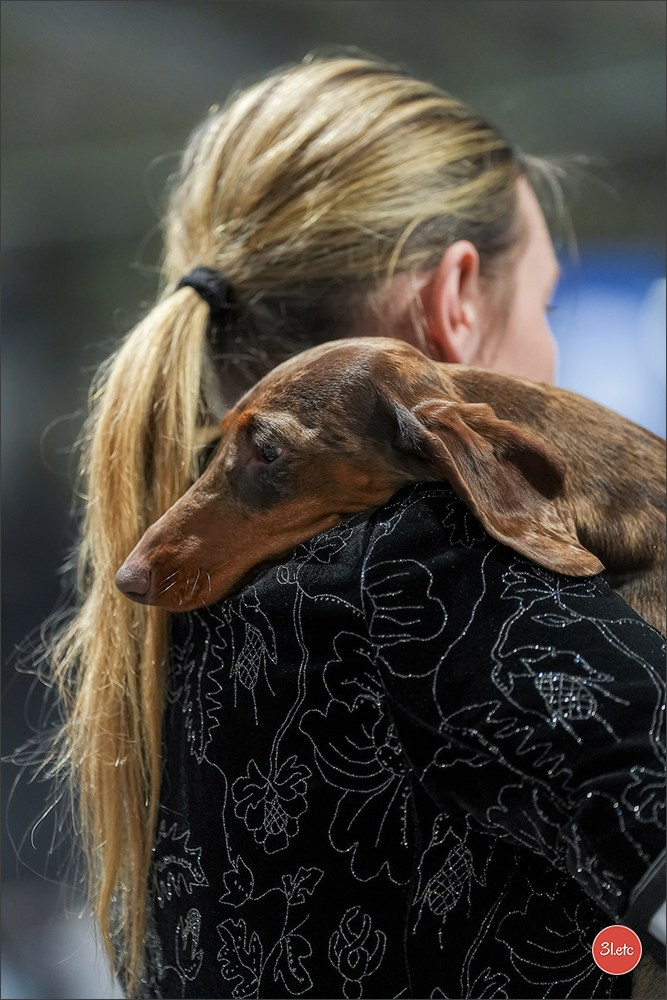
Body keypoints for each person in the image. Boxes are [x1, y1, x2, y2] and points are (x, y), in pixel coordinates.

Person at [44, 54, 664, 999]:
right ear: (454, 300)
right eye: (541, 303)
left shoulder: (177, 605)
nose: (550, 344)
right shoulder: (441, 571)